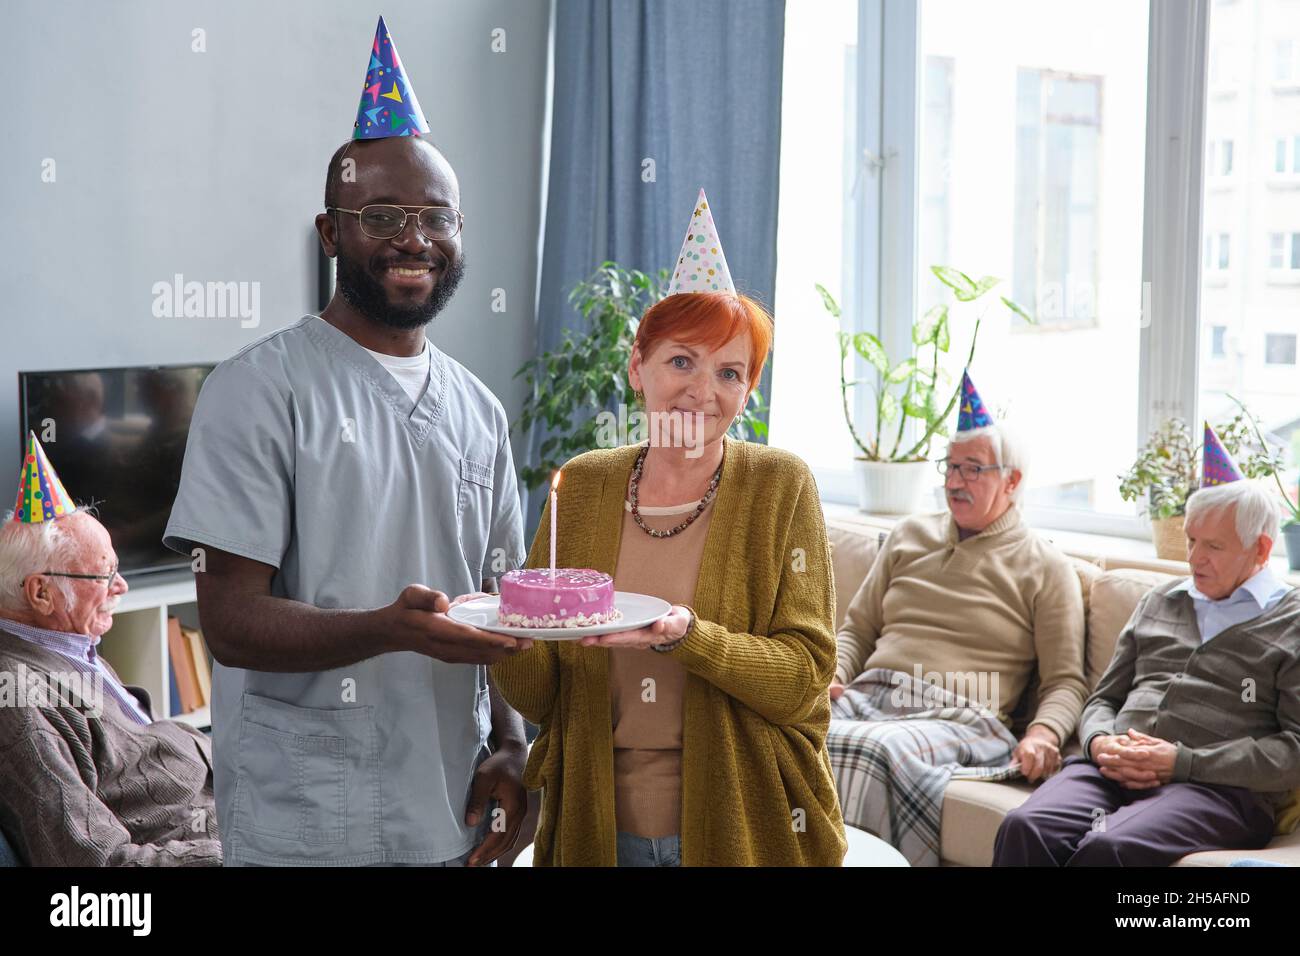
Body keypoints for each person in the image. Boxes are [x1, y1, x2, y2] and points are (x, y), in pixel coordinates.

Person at [162, 18, 530, 866]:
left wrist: (512, 746)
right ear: (331, 234)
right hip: (310, 823)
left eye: (437, 217)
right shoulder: (257, 391)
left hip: (453, 806)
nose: (414, 237)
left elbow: (503, 605)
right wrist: (390, 629)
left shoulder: (480, 411)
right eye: (383, 214)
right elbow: (232, 622)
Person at [486, 190, 847, 866]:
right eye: (682, 360)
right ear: (637, 367)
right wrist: (508, 639)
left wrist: (690, 638)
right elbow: (540, 696)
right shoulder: (586, 484)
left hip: (747, 819)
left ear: (749, 389)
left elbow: (805, 680)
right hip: (597, 826)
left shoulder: (780, 485)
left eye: (730, 372)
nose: (702, 391)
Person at [995, 434, 1300, 866]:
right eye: (1192, 541)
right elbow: (1104, 698)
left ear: (1262, 550)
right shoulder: (1159, 601)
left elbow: (1294, 750)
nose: (1195, 559)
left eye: (1214, 546)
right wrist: (1100, 742)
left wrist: (1182, 761)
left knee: (1107, 847)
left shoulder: (1291, 624)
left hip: (1216, 791)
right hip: (1109, 769)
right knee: (1024, 826)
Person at [829, 372, 1087, 865]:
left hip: (964, 718)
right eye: (949, 467)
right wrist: (834, 677)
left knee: (875, 752)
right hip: (872, 696)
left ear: (1012, 481)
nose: (953, 482)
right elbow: (856, 629)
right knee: (783, 729)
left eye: (972, 470)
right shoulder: (908, 535)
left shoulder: (1047, 567)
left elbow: (1066, 682)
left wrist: (1043, 734)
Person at [0, 434, 220, 865]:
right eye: (104, 576)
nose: (121, 587)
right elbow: (96, 860)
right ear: (41, 592)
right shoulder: (18, 701)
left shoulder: (69, 646)